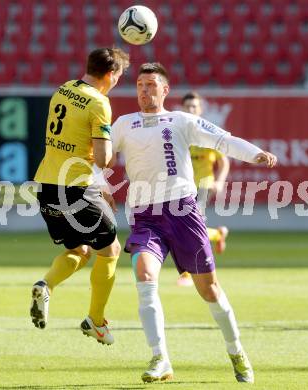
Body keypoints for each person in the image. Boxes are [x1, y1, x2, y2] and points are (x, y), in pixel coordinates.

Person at [110, 63, 277, 383]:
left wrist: (255, 153)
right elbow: (99, 156)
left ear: (165, 90)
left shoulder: (181, 121)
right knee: (144, 276)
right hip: (146, 217)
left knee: (210, 290)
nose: (144, 90)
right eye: (140, 85)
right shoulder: (124, 124)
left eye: (151, 85)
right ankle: (160, 358)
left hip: (184, 214)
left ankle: (236, 350)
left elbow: (222, 140)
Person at [30, 48, 130, 345]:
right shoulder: (99, 103)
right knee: (111, 250)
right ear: (110, 75)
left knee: (80, 251)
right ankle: (95, 321)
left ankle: (45, 285)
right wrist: (111, 152)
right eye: (118, 78)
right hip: (76, 188)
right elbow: (102, 159)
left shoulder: (63, 89)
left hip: (46, 185)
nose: (116, 83)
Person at [177, 92, 230, 287]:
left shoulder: (207, 133)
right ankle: (217, 234)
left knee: (188, 228)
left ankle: (188, 274)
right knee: (187, 228)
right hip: (182, 187)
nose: (191, 109)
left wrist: (220, 181)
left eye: (194, 107)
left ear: (200, 109)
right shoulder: (178, 132)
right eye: (188, 106)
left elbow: (224, 162)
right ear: (182, 108)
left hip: (203, 185)